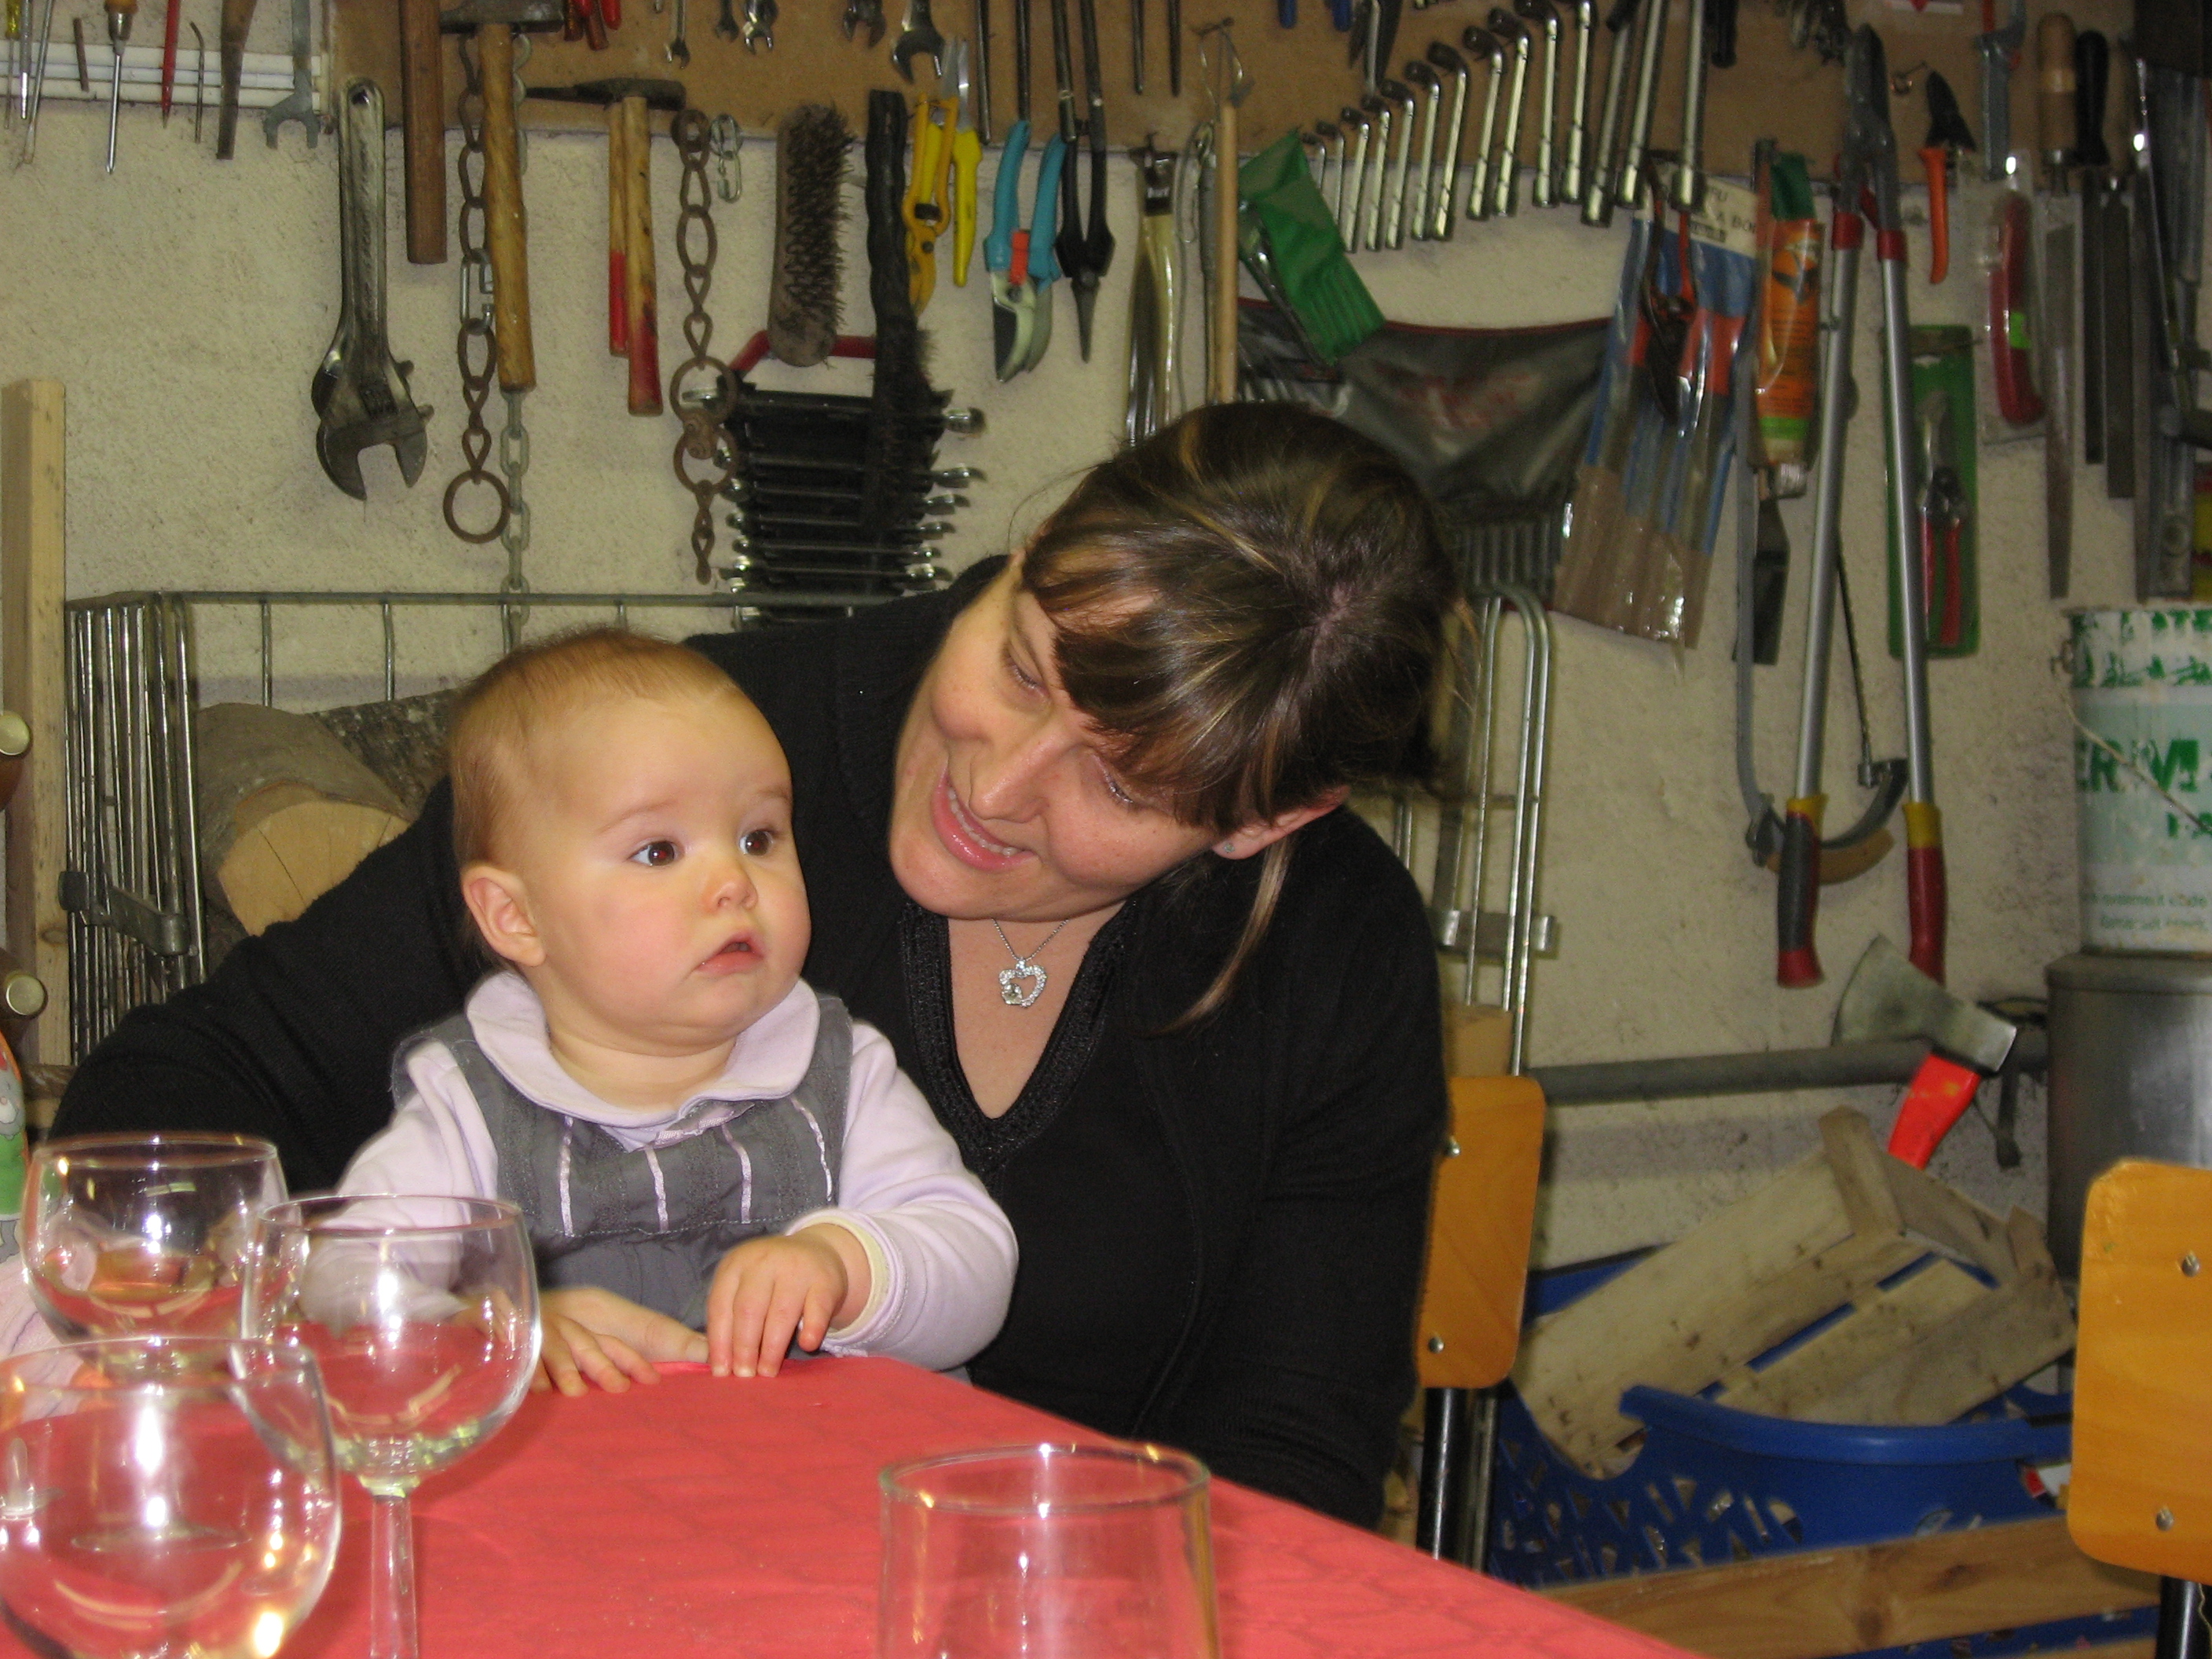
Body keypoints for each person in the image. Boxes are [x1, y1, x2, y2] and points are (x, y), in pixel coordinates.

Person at [57, 403, 1455, 1527]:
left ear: (1267, 819)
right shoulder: (679, 772)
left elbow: (1293, 1463)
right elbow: (182, 1099)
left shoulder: (1337, 950)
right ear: (1031, 548)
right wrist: (451, 1325)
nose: (995, 787)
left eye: (1122, 785)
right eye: (1025, 669)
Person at [334, 629, 1016, 1395]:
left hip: (832, 1464)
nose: (733, 881)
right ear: (515, 917)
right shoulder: (468, 1105)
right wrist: (488, 1327)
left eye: (759, 837)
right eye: (658, 851)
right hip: (584, 1470)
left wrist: (845, 1265)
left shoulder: (842, 1074)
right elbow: (341, 1283)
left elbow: (978, 1272)